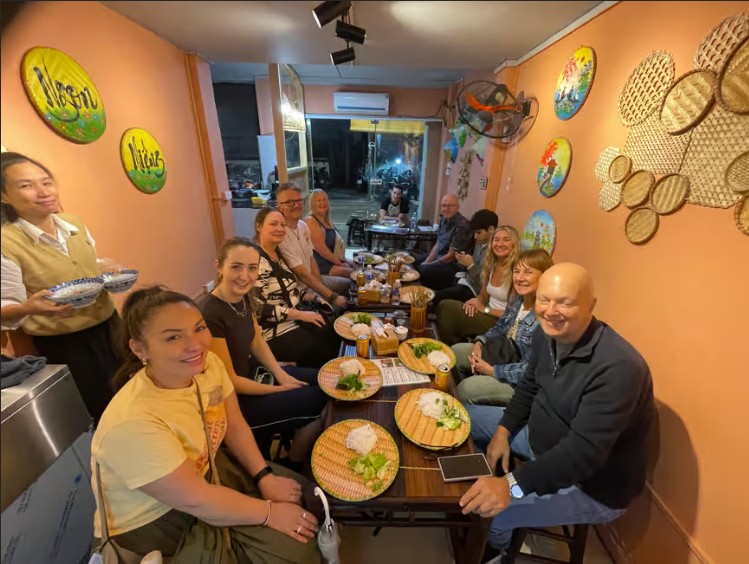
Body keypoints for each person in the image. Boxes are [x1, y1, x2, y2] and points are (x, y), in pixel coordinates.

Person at [90, 287, 321, 562]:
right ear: (139, 349)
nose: (196, 345)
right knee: (299, 550)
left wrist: (264, 476)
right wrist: (270, 513)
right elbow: (195, 498)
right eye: (173, 337)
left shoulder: (208, 365)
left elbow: (234, 423)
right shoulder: (133, 422)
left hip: (205, 469)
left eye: (199, 328)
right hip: (153, 516)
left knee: (307, 497)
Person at [460, 263, 654, 561]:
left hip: (591, 485)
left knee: (491, 515)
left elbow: (581, 455)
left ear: (591, 305)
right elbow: (528, 387)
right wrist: (503, 431)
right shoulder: (546, 334)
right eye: (544, 299)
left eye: (565, 302)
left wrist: (510, 485)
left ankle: (498, 549)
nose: (550, 311)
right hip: (538, 439)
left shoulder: (619, 367)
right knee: (462, 418)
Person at [1, 151, 124, 422]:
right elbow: (5, 306)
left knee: (132, 388)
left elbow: (82, 263)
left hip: (110, 324)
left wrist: (105, 268)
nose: (43, 191)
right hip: (66, 343)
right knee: (103, 410)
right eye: (26, 185)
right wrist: (28, 308)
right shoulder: (6, 242)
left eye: (46, 182)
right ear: (4, 196)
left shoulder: (73, 223)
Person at [198, 237, 328, 467]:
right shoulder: (210, 314)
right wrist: (276, 389)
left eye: (252, 268)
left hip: (253, 374)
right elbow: (230, 381)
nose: (245, 276)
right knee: (321, 398)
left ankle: (293, 443)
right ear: (218, 266)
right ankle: (294, 463)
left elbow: (257, 341)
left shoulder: (243, 296)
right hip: (235, 401)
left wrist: (282, 375)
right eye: (236, 267)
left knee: (326, 380)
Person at [453, 249, 554, 406]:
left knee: (466, 389)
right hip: (502, 355)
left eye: (528, 272)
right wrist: (480, 342)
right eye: (516, 271)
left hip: (522, 385)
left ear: (545, 276)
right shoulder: (517, 299)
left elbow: (531, 370)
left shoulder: (546, 317)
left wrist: (493, 371)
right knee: (455, 353)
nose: (519, 278)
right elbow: (500, 327)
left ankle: (469, 405)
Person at [254, 207, 340, 367]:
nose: (280, 229)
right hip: (274, 331)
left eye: (282, 225)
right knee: (323, 345)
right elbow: (259, 309)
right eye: (273, 224)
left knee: (333, 329)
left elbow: (290, 291)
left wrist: (314, 297)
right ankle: (318, 378)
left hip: (294, 320)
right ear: (259, 226)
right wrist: (301, 315)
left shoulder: (278, 255)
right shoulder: (256, 261)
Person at [436, 226, 519, 345]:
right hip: (486, 312)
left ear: (514, 244)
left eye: (506, 240)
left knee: (447, 309)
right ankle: (453, 344)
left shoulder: (517, 272)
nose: (500, 244)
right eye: (496, 240)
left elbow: (513, 314)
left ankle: (449, 347)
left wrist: (485, 310)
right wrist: (475, 302)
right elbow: (483, 297)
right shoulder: (492, 265)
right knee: (444, 305)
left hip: (500, 323)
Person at [276, 182, 350, 304]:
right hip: (299, 292)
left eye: (299, 200)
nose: (296, 205)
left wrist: (321, 286)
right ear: (280, 206)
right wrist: (331, 296)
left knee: (348, 284)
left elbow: (311, 259)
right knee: (344, 292)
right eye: (289, 202)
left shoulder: (302, 226)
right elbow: (303, 275)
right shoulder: (281, 234)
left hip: (312, 282)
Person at [433, 209, 499, 307]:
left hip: (476, 290)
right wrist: (462, 259)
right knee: (433, 274)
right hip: (467, 277)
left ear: (491, 229)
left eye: (479, 232)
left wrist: (471, 265)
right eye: (474, 233)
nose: (475, 237)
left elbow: (485, 283)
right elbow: (473, 264)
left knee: (438, 296)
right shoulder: (481, 242)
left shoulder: (496, 250)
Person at [415, 193, 474, 291]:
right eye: (443, 205)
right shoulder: (443, 219)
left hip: (453, 265)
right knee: (414, 261)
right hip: (441, 257)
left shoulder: (462, 226)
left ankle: (424, 295)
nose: (446, 209)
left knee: (421, 270)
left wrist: (429, 265)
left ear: (457, 207)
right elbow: (438, 243)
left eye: (450, 206)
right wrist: (427, 261)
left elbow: (451, 256)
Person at [304, 189, 354, 281]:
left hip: (330, 259)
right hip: (320, 264)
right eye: (318, 200)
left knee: (359, 266)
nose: (322, 203)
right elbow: (322, 250)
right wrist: (340, 263)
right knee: (352, 273)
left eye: (324, 199)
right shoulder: (311, 221)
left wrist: (345, 260)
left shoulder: (326, 220)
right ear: (312, 204)